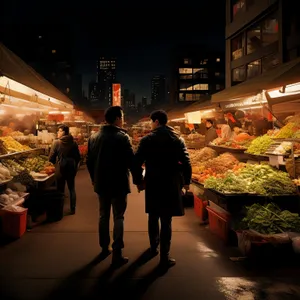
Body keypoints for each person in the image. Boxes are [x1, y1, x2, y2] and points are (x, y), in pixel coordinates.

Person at [133, 110, 192, 267]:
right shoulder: (177, 139)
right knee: (166, 219)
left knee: (153, 216)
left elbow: (136, 161)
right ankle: (164, 256)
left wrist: (139, 180)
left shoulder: (147, 140)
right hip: (171, 183)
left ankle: (154, 248)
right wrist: (186, 182)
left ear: (156, 121)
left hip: (153, 182)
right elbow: (186, 162)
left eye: (152, 122)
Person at [86, 106, 134, 266]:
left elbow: (89, 161)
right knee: (118, 216)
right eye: (122, 117)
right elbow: (131, 161)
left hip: (101, 183)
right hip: (119, 183)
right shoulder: (123, 137)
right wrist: (139, 179)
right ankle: (117, 252)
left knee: (103, 215)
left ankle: (104, 248)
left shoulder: (94, 137)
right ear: (118, 118)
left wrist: (94, 178)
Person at [49, 124, 80, 215]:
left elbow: (51, 158)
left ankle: (60, 209)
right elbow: (78, 157)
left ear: (64, 132)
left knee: (60, 189)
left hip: (60, 168)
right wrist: (75, 166)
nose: (57, 133)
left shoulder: (56, 142)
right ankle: (73, 209)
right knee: (71, 189)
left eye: (59, 131)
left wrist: (54, 163)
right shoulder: (73, 142)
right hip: (71, 168)